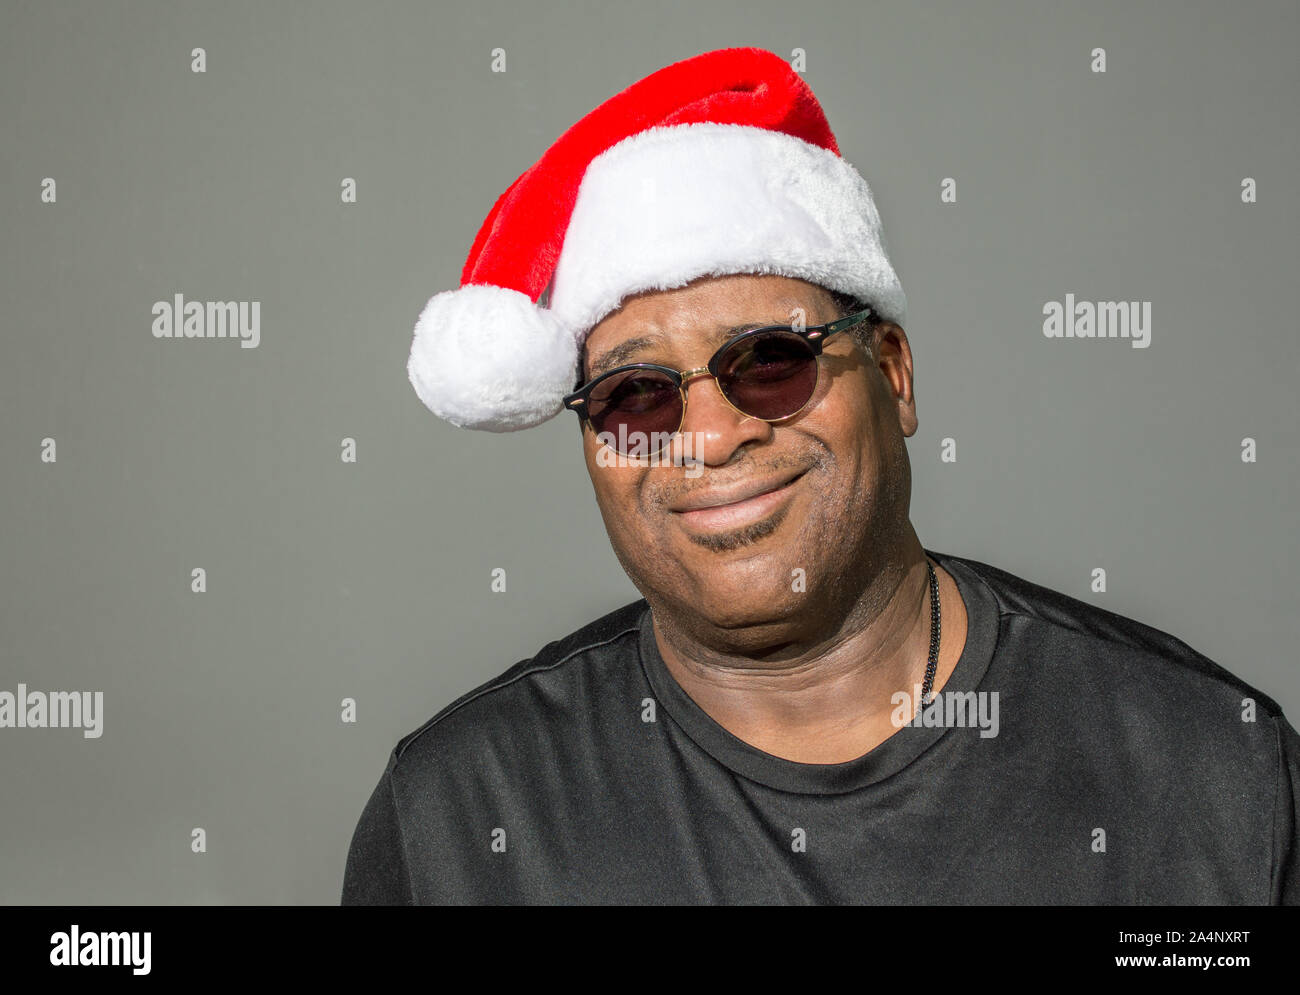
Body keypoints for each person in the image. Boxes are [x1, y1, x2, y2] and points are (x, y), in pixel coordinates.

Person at [342, 47, 1299, 904]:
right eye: (638, 394)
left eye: (768, 361)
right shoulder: (460, 821)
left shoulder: (1212, 769)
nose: (711, 439)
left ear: (892, 371)